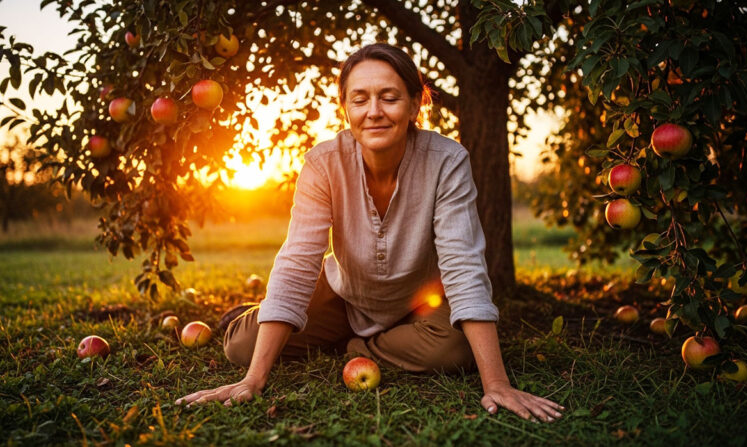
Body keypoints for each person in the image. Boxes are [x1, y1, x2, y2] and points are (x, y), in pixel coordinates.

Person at [176, 43, 564, 422]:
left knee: (455, 350)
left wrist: (496, 383)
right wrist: (254, 379)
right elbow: (298, 260)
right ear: (345, 108)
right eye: (359, 99)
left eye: (389, 98)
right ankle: (259, 317)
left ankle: (355, 345)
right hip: (345, 294)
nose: (374, 112)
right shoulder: (322, 163)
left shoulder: (448, 161)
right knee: (243, 347)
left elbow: (463, 264)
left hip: (419, 303)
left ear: (416, 104)